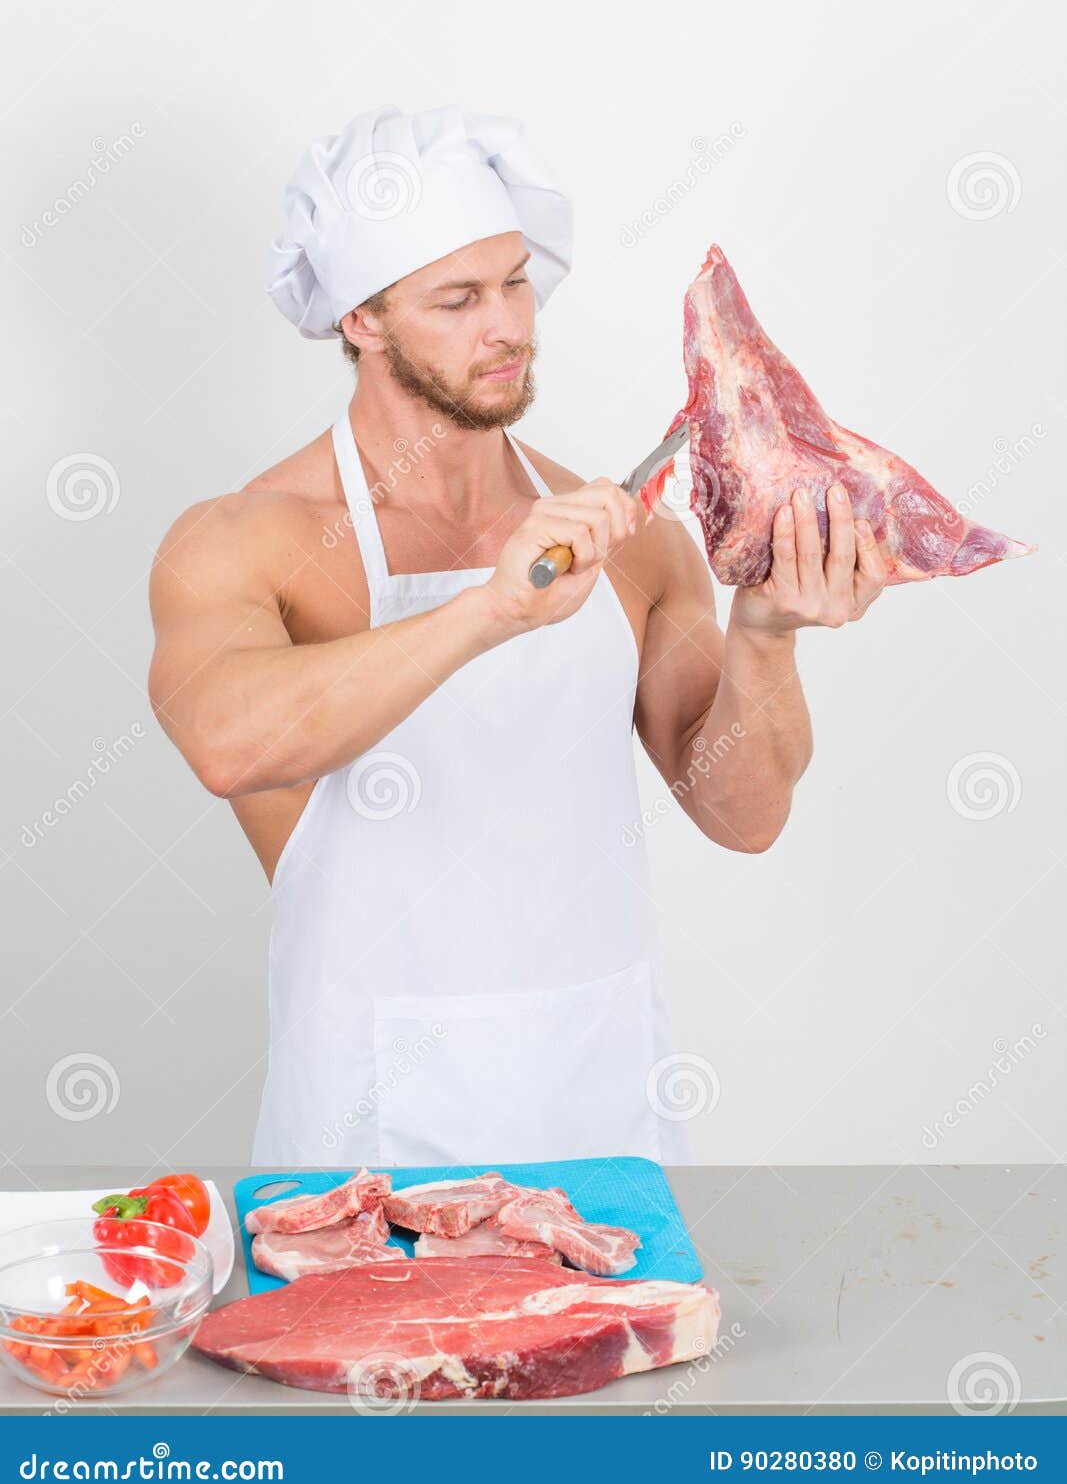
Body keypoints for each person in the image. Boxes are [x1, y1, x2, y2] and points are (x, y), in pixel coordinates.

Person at [148, 104, 887, 1168]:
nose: (506, 324)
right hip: (365, 1115)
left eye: (512, 281)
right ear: (361, 318)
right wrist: (489, 609)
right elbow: (227, 741)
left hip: (599, 1093)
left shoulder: (627, 537)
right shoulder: (244, 540)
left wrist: (763, 637)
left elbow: (746, 814)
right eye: (456, 299)